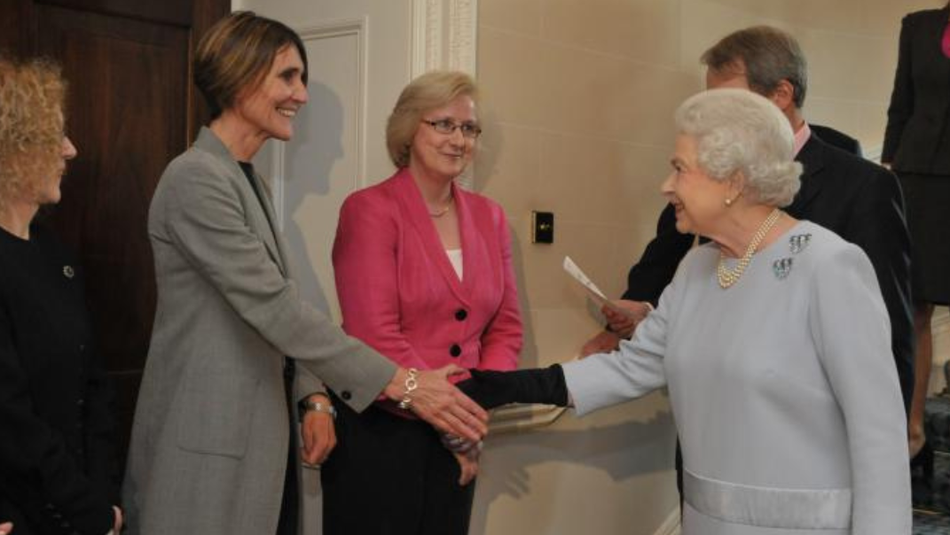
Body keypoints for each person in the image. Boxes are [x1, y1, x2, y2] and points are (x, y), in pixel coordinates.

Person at [460, 88, 912, 534]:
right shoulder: (697, 266)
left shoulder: (827, 265)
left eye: (679, 169)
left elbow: (879, 435)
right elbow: (630, 367)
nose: (666, 185)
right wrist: (495, 385)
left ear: (733, 181)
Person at [121, 12, 488, 535]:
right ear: (239, 76)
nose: (302, 95)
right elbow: (275, 308)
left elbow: (283, 308)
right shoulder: (195, 179)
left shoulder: (245, 179)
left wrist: (313, 395)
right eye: (288, 77)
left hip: (262, 440)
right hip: (207, 441)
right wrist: (404, 383)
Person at [583, 24, 914, 417]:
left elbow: (887, 332)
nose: (711, 118)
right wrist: (640, 305)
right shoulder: (708, 168)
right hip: (709, 419)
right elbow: (669, 246)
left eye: (727, 102)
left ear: (782, 95)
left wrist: (890, 435)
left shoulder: (864, 186)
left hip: (806, 432)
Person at [322, 70, 522, 535]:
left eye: (469, 128)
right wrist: (451, 419)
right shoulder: (369, 209)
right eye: (444, 124)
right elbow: (374, 333)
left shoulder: (490, 217)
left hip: (460, 431)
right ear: (409, 129)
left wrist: (471, 411)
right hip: (383, 432)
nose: (459, 140)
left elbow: (506, 327)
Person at [0, 56, 123, 535]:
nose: (71, 151)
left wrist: (104, 498)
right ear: (13, 148)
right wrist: (86, 509)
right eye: (56, 136)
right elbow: (10, 418)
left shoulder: (55, 254)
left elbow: (93, 387)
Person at [882, 1, 950, 482]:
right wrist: (888, 171)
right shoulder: (918, 25)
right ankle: (912, 430)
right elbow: (900, 103)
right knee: (914, 306)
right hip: (918, 176)